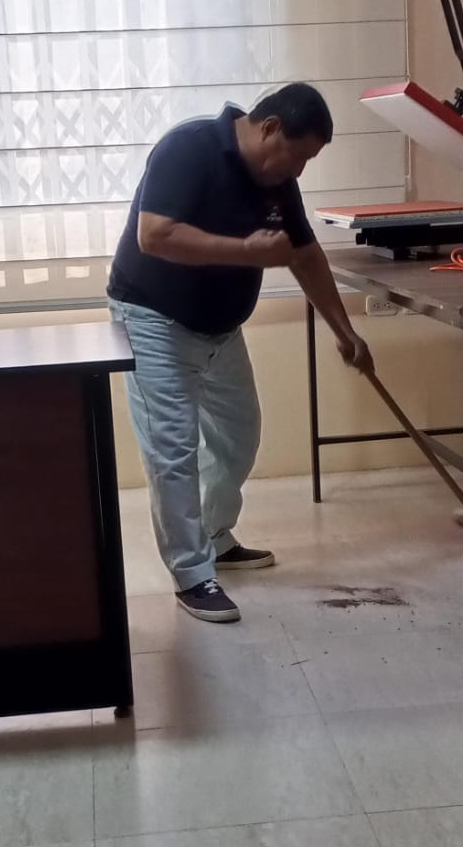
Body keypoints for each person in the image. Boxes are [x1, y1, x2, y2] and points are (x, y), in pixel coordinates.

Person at [108, 82, 374, 624]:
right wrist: (246, 251)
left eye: (309, 161)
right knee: (172, 450)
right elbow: (154, 235)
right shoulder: (188, 149)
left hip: (221, 329)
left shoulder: (277, 182)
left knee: (238, 436)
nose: (299, 170)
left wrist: (344, 331)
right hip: (153, 320)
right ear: (269, 128)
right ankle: (192, 575)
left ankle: (213, 533)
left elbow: (305, 256)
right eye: (298, 155)